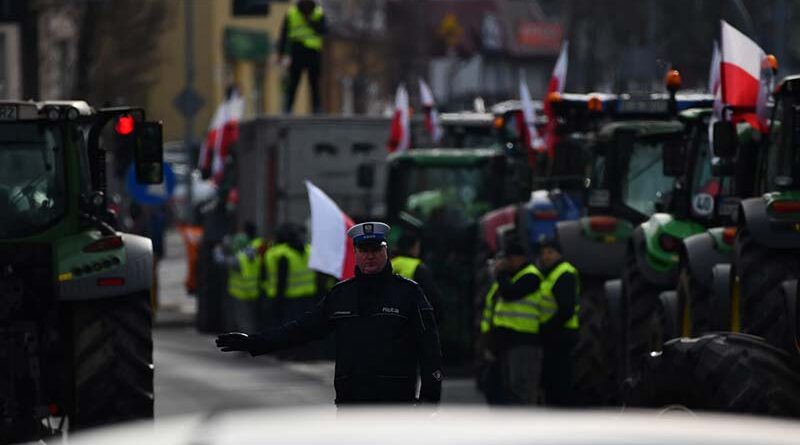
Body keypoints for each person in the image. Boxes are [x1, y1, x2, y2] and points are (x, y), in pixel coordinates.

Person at [216, 222, 443, 406]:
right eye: (364, 250)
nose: (370, 256)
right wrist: (254, 343)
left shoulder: (408, 293)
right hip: (351, 405)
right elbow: (302, 329)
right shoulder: (341, 295)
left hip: (395, 406)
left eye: (376, 250)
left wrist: (429, 399)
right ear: (355, 252)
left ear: (386, 251)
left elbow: (430, 347)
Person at [478, 239, 544, 405]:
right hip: (505, 338)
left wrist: (500, 274)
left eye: (509, 259)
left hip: (524, 338)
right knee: (503, 384)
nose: (506, 263)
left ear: (519, 258)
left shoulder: (531, 276)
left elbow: (510, 293)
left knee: (520, 384)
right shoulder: (510, 277)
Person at [537, 235, 580, 407]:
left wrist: (546, 328)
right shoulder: (550, 274)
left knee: (560, 377)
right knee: (553, 378)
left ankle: (562, 409)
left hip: (561, 333)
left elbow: (566, 310)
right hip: (555, 333)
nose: (546, 256)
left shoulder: (564, 273)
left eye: (550, 252)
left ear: (559, 254)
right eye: (543, 253)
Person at [277, 0, 326, 114]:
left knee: (314, 83)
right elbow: (284, 34)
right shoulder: (292, 13)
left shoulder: (318, 13)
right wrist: (281, 53)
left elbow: (323, 30)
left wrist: (310, 22)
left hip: (313, 52)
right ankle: (287, 108)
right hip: (297, 51)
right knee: (293, 82)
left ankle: (317, 108)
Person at [391, 230, 443, 322]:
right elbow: (434, 298)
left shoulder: (390, 264)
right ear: (413, 248)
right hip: (412, 320)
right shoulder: (417, 267)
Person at [226, 222, 263, 332]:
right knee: (253, 319)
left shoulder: (239, 258)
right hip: (255, 292)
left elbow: (222, 261)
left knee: (244, 320)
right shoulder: (256, 252)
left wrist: (218, 251)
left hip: (242, 294)